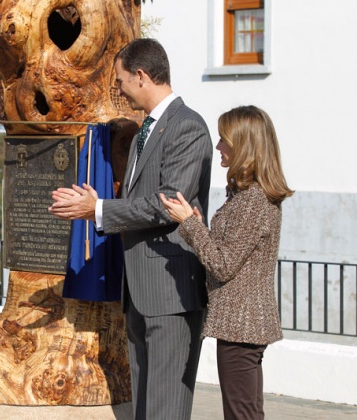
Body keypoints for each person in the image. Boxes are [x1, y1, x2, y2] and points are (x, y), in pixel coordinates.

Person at [49, 38, 213, 420]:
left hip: (171, 293)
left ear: (141, 76)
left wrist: (101, 209)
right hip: (140, 290)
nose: (119, 90)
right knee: (143, 405)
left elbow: (167, 203)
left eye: (121, 81)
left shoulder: (187, 128)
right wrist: (96, 208)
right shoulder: (146, 130)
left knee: (165, 407)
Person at [160, 105, 293, 419]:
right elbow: (231, 253)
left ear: (244, 146)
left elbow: (222, 264)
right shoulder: (248, 196)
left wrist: (188, 225)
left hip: (242, 326)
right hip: (242, 326)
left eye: (224, 141)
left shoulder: (254, 201)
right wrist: (199, 226)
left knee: (241, 413)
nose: (218, 147)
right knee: (245, 411)